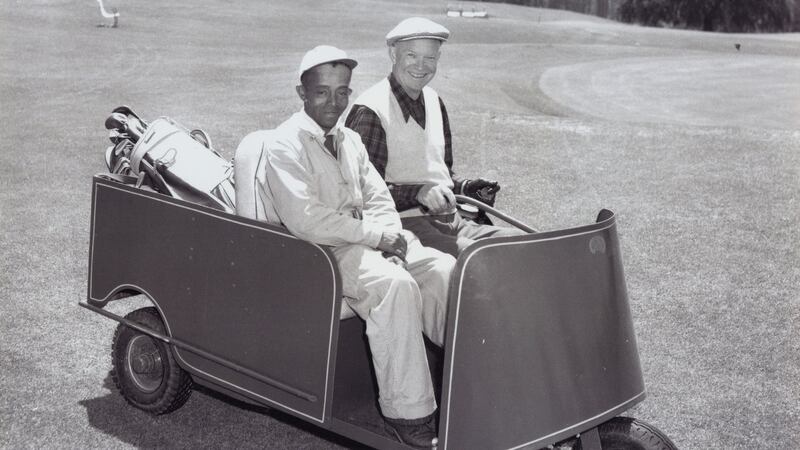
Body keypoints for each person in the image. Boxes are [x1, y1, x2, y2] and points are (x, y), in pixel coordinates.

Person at [253, 45, 454, 448]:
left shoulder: (348, 140)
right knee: (392, 287)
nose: (334, 102)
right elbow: (306, 220)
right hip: (317, 254)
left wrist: (389, 237)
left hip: (362, 242)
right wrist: (377, 238)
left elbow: (377, 196)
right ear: (302, 93)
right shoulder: (284, 144)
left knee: (443, 270)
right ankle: (409, 414)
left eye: (342, 91)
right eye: (322, 92)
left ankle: (465, 381)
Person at [346, 17, 527, 257]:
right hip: (402, 227)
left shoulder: (433, 100)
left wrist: (464, 186)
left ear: (438, 59)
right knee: (483, 259)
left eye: (429, 58)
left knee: (523, 243)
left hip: (452, 221)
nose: (420, 66)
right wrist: (418, 193)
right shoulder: (371, 110)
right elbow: (360, 193)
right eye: (411, 55)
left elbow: (440, 172)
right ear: (393, 54)